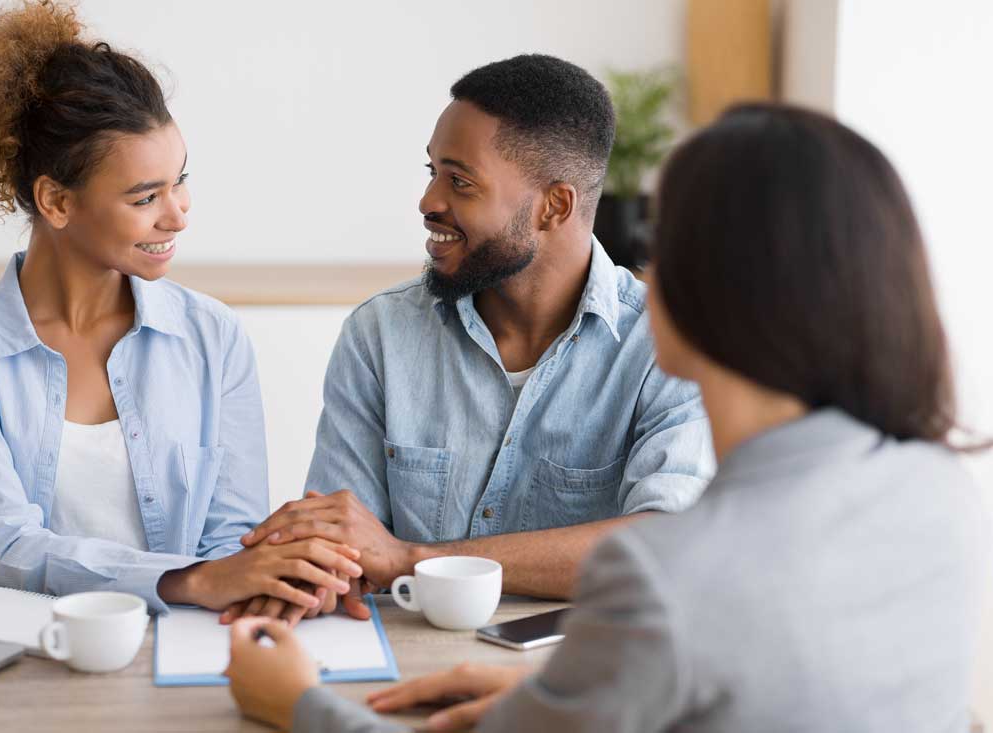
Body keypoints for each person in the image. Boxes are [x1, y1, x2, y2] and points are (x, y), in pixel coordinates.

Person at [223, 103, 989, 732]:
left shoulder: (667, 576)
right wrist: (570, 702)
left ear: (693, 297)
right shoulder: (942, 489)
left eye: (663, 246)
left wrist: (298, 704)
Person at [226, 54, 714, 624]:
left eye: (459, 181)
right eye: (431, 171)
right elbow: (342, 543)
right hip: (403, 669)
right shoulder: (380, 334)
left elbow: (671, 548)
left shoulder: (669, 347)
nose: (429, 201)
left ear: (553, 206)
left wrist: (416, 559)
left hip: (578, 682)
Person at [0, 0, 360, 615]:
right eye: (146, 195)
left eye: (180, 180)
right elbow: (4, 548)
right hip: (37, 659)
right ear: (56, 201)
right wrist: (190, 580)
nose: (177, 213)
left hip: (189, 641)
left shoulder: (212, 336)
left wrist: (271, 588)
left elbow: (234, 538)